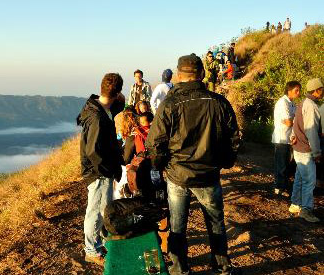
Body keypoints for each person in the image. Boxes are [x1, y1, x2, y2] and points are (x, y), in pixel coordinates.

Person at [146, 54, 240, 275]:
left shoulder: (169, 104)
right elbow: (234, 138)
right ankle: (221, 267)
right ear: (202, 74)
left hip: (178, 175)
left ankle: (180, 268)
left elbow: (155, 143)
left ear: (179, 75)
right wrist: (224, 162)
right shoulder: (219, 102)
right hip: (208, 175)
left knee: (177, 226)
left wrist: (161, 165)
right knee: (216, 222)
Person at [77, 73, 125, 266]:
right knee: (95, 211)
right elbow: (93, 151)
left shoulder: (101, 107)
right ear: (117, 91)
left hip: (102, 169)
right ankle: (91, 249)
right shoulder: (97, 117)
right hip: (97, 171)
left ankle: (99, 243)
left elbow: (119, 103)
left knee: (103, 208)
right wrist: (106, 170)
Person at [290, 78, 323, 223]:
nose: (323, 91)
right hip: (306, 149)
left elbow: (296, 125)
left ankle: (295, 204)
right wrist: (317, 152)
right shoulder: (311, 106)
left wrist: (292, 136)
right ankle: (306, 210)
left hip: (298, 148)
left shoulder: (302, 103)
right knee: (310, 181)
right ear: (316, 90)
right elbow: (311, 131)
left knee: (300, 178)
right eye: (322, 89)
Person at [272, 81, 301, 197]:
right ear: (289, 90)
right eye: (296, 90)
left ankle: (282, 185)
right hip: (281, 137)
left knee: (286, 164)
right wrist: (295, 120)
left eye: (299, 90)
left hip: (288, 138)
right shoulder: (283, 102)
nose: (298, 93)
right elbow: (289, 122)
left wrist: (293, 120)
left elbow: (291, 120)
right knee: (281, 164)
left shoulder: (292, 103)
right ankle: (279, 187)